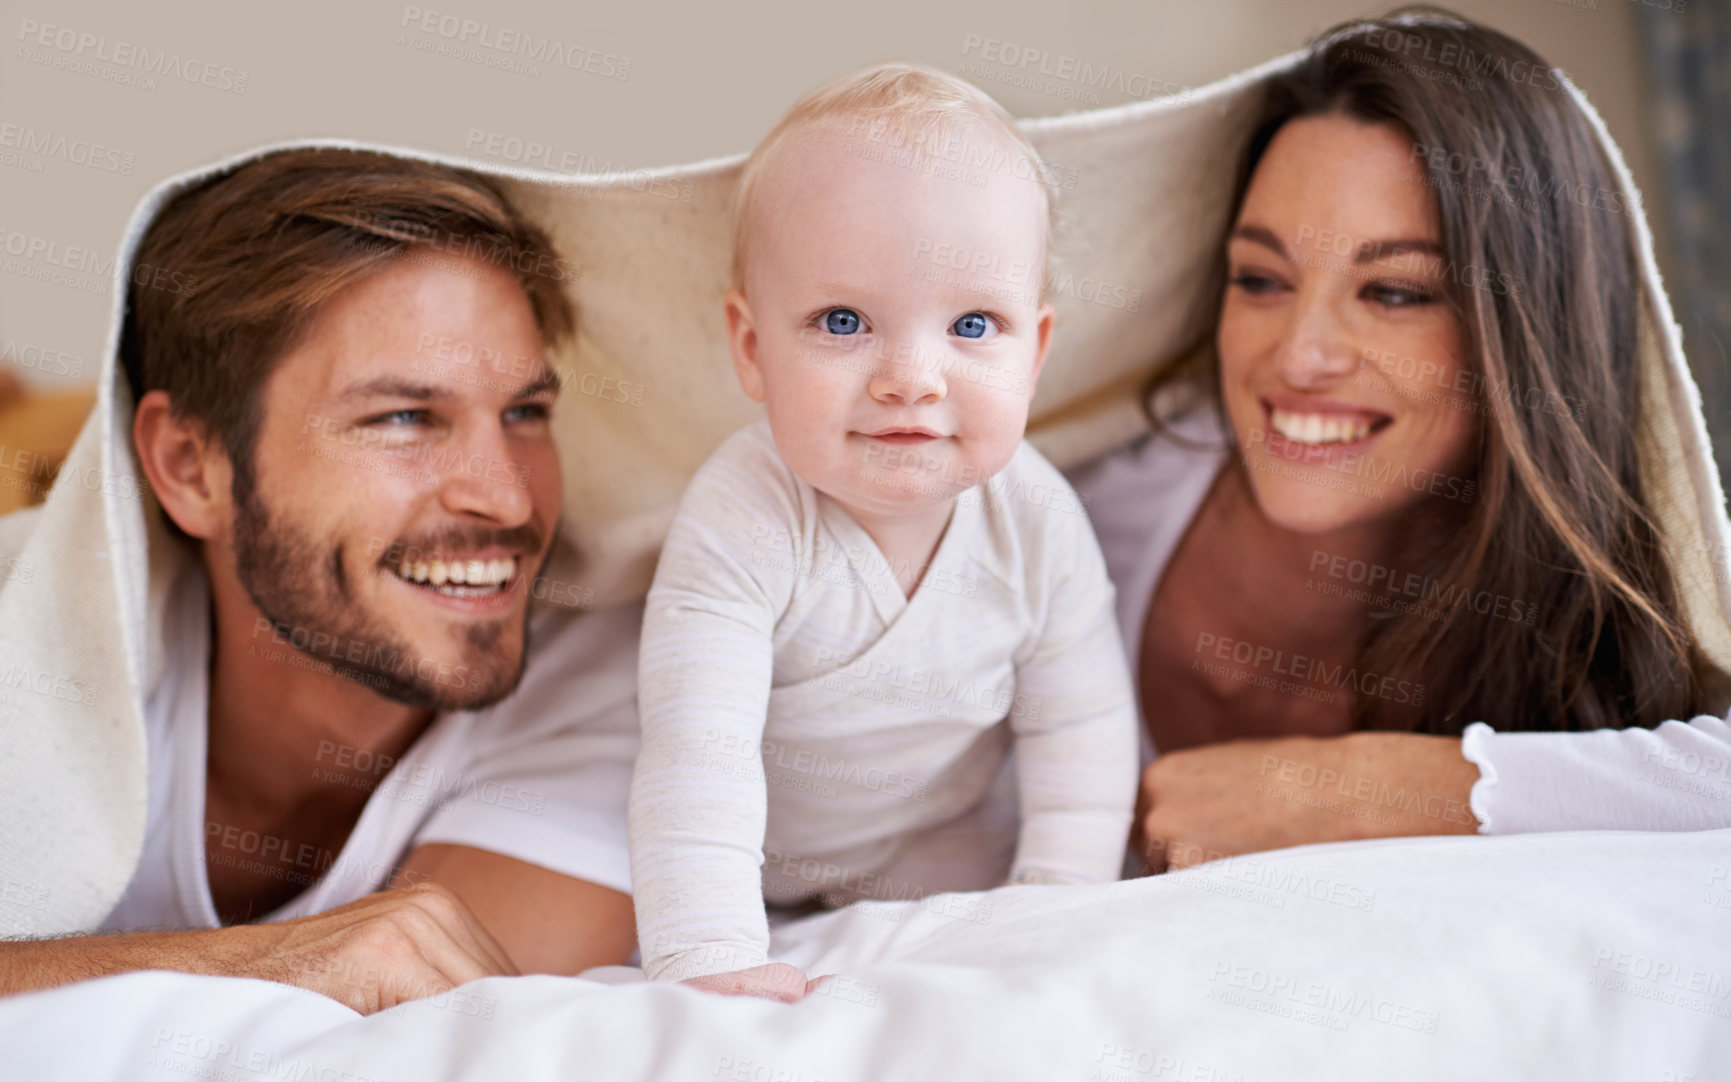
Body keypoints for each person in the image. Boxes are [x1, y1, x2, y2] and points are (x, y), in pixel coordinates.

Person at [1063, 11, 1731, 874]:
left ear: (1525, 338)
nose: (1298, 356)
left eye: (1394, 291)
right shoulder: (1064, 523)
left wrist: (1367, 789)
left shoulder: (1589, 610)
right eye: (1261, 279)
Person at [0, 150, 641, 1013]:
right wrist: (263, 963)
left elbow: (430, 1031)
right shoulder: (26, 634)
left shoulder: (618, 681)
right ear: (191, 466)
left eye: (525, 412)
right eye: (405, 416)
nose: (508, 495)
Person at [628, 64, 1138, 1001]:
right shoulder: (745, 512)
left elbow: (1081, 730)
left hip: (935, 836)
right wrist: (707, 951)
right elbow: (697, 745)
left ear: (1036, 350)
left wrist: (1056, 905)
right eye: (843, 320)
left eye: (973, 324)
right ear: (751, 348)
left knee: (975, 974)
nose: (911, 375)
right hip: (740, 846)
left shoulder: (1036, 518)